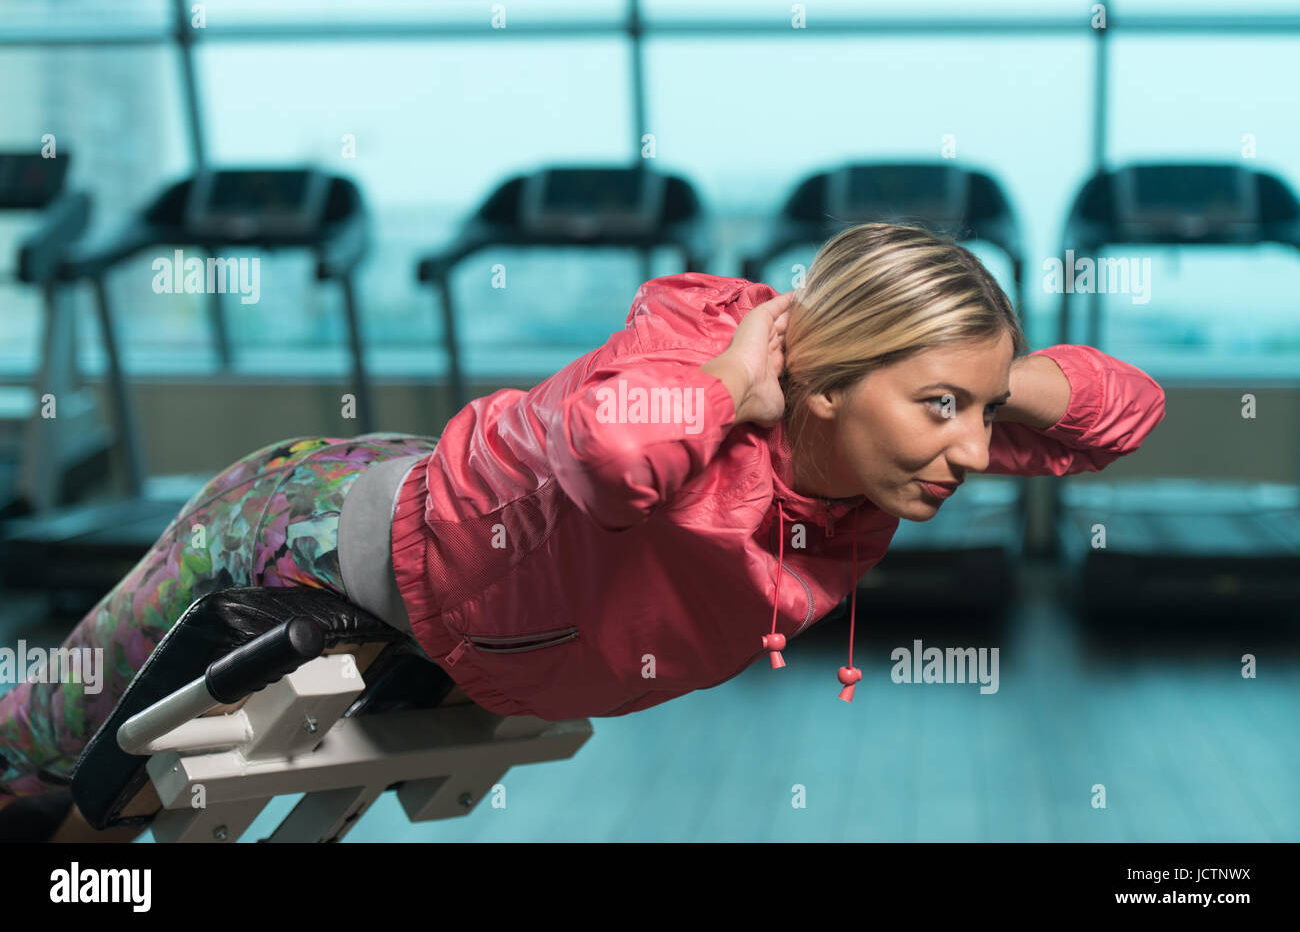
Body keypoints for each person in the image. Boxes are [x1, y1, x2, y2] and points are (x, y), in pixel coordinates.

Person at [0, 221, 1167, 840]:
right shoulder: (686, 350)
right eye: (938, 408)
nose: (972, 453)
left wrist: (983, 375)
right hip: (293, 518)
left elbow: (1127, 412)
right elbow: (614, 457)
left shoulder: (876, 456)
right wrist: (729, 381)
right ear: (819, 381)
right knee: (42, 739)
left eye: (978, 413)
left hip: (456, 604)